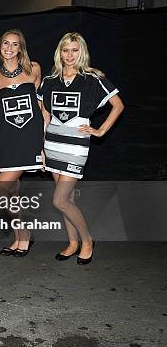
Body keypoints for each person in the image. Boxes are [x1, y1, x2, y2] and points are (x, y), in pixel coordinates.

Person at [38, 32, 124, 264]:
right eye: (66, 50)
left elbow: (118, 105)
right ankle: (73, 242)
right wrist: (42, 149)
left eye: (74, 50)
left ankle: (87, 240)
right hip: (53, 143)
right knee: (68, 201)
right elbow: (45, 116)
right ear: (60, 52)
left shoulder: (93, 78)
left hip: (75, 146)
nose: (70, 55)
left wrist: (101, 130)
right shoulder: (50, 80)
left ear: (82, 51)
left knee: (59, 200)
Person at [0, 29, 43, 257]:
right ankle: (19, 237)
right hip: (4, 140)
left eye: (14, 44)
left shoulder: (34, 69)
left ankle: (25, 233)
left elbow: (40, 107)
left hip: (27, 140)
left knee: (0, 191)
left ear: (21, 48)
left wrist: (42, 142)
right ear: (0, 46)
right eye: (6, 44)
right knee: (12, 193)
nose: (9, 48)